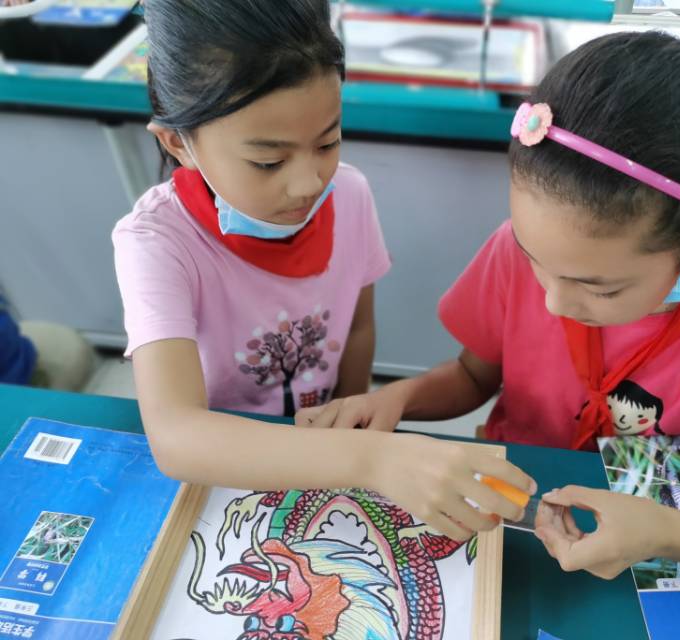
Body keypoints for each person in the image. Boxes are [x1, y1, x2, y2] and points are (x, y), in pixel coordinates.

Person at [297, 28, 680, 591]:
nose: (553, 301)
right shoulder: (516, 251)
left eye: (601, 288)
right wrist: (397, 399)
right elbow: (473, 375)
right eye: (534, 259)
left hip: (662, 547)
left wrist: (668, 533)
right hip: (514, 508)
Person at [112, 0, 534, 541]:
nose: (309, 183)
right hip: (225, 469)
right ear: (178, 142)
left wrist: (353, 419)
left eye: (328, 142)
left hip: (327, 456)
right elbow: (176, 435)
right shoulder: (156, 243)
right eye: (268, 162)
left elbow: (356, 328)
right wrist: (369, 458)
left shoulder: (349, 194)